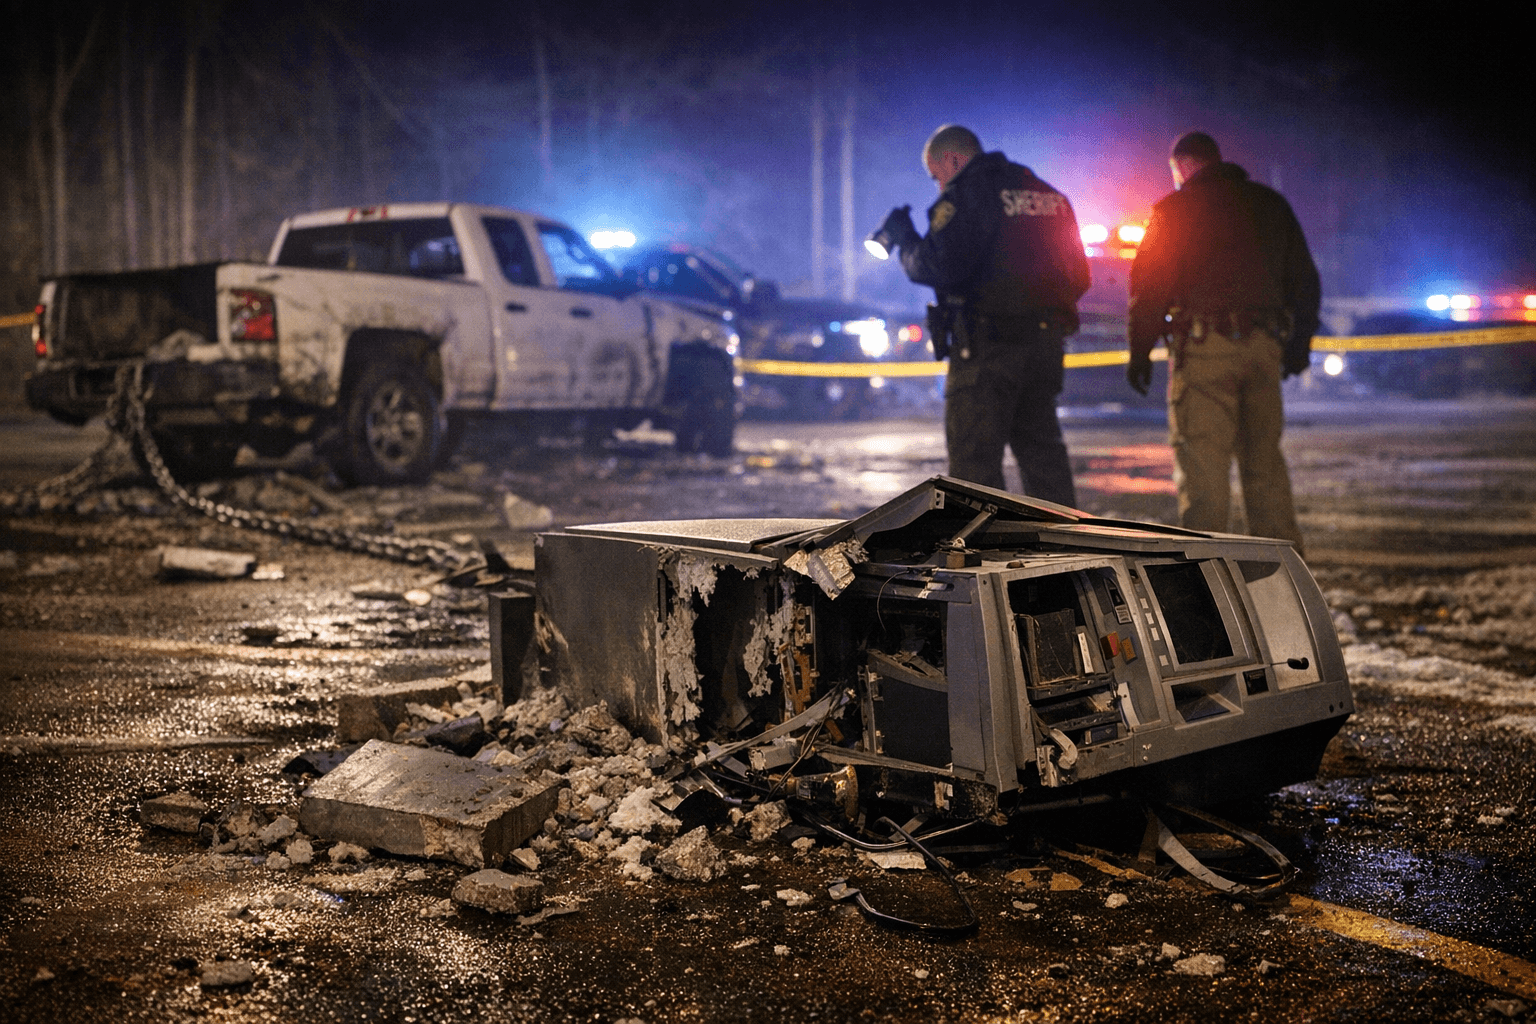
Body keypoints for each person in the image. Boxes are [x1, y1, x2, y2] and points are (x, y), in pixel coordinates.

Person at [876, 124, 1090, 506]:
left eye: (936, 176)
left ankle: (982, 557)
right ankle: (1069, 556)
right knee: (1044, 459)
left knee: (974, 469)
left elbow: (938, 266)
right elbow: (1080, 276)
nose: (939, 187)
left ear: (952, 159)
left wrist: (906, 238)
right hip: (1043, 350)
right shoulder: (1047, 194)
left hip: (987, 353)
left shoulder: (969, 194)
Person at [1127, 131, 1319, 553]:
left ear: (1184, 166)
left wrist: (1139, 351)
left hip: (1205, 351)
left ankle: (1205, 575)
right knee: (1264, 463)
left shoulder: (1174, 210)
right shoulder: (1270, 204)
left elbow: (1148, 288)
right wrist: (1299, 343)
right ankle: (1281, 577)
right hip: (1262, 350)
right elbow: (1305, 281)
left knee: (1203, 466)